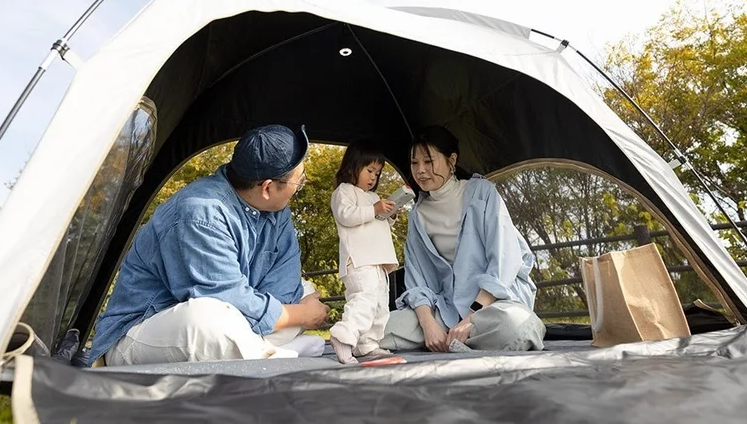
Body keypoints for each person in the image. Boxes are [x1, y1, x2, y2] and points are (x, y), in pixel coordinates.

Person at [90, 124, 330, 366]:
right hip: (147, 327)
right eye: (299, 183)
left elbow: (284, 285)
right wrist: (301, 315)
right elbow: (226, 298)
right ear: (267, 188)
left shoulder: (277, 211)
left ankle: (258, 350)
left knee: (304, 290)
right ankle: (278, 356)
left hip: (237, 316)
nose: (300, 187)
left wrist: (290, 312)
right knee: (207, 321)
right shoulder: (201, 212)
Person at [379, 126, 545, 353]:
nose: (421, 170)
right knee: (379, 331)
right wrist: (428, 326)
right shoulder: (418, 215)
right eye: (414, 163)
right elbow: (418, 281)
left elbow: (504, 262)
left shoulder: (482, 193)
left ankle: (460, 338)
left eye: (428, 162)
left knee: (516, 328)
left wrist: (470, 318)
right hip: (445, 309)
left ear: (452, 160)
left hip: (491, 305)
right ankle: (455, 340)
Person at [327, 140, 401, 364]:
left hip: (378, 262)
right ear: (352, 167)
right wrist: (375, 210)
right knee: (364, 299)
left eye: (377, 173)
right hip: (359, 261)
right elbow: (346, 215)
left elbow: (378, 222)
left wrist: (390, 215)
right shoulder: (344, 192)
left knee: (380, 305)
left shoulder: (373, 198)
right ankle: (344, 335)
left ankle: (367, 344)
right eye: (369, 171)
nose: (373, 177)